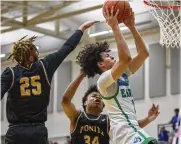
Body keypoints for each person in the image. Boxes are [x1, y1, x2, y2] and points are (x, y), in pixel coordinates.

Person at [1, 21, 97, 144]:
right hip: (37, 131)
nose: (38, 54)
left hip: (15, 132)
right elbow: (66, 48)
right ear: (31, 56)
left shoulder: (10, 73)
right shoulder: (44, 67)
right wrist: (81, 29)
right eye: (36, 51)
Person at [76, 7, 160, 144]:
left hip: (128, 131)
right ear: (101, 65)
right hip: (125, 132)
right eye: (107, 56)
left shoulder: (123, 74)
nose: (111, 56)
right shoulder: (103, 81)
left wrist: (132, 27)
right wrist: (115, 26)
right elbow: (125, 57)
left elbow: (144, 54)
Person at [61, 72, 110, 144]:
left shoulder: (108, 120)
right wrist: (83, 73)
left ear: (103, 106)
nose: (97, 97)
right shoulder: (77, 116)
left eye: (100, 98)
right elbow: (65, 101)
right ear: (85, 102)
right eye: (93, 96)